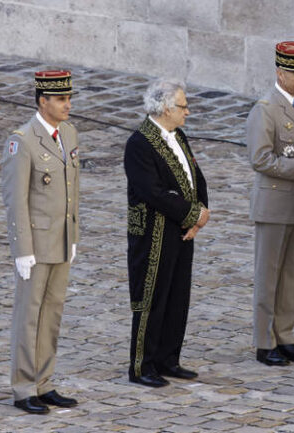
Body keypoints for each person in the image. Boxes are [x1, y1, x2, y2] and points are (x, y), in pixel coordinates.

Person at [1, 70, 80, 414]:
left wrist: (73, 237)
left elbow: (72, 191)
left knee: (52, 315)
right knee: (28, 317)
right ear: (42, 101)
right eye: (60, 99)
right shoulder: (22, 141)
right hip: (36, 245)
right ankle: (23, 387)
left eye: (68, 98)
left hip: (60, 243)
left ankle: (44, 382)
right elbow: (15, 199)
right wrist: (22, 249)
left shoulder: (69, 133)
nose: (67, 105)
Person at [124, 78, 209, 387]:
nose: (187, 112)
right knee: (152, 298)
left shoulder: (178, 134)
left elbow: (194, 174)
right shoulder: (140, 143)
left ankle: (168, 359)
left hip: (181, 231)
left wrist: (200, 213)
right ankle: (142, 366)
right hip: (153, 233)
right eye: (183, 107)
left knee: (177, 297)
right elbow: (153, 192)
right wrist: (193, 214)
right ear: (166, 108)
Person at [246, 41, 294, 366]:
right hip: (275, 202)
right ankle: (265, 342)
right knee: (269, 273)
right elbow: (260, 158)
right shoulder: (265, 108)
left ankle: (286, 335)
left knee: (292, 273)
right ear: (280, 72)